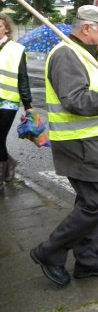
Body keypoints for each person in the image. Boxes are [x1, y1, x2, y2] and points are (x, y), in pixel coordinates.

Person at [30, 5, 98, 286]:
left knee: (92, 203)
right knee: (97, 205)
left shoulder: (87, 54)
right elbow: (76, 100)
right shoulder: (67, 55)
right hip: (81, 145)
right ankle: (48, 251)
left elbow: (93, 93)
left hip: (97, 143)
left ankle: (88, 262)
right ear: (88, 27)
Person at [0, 13, 33, 192]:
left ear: (7, 28)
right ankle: (9, 164)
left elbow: (23, 78)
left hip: (8, 101)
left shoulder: (16, 49)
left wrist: (28, 105)